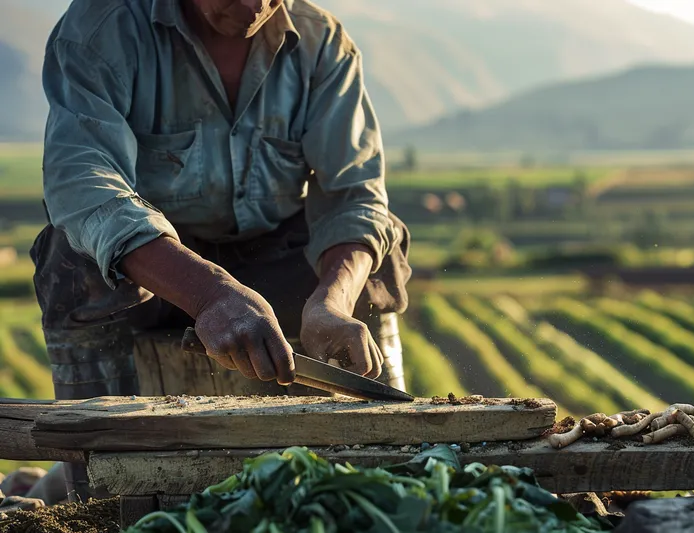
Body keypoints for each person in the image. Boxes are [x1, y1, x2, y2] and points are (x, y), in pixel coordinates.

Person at [32, 0, 412, 502]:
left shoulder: (321, 42)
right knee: (73, 257)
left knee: (374, 250)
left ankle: (398, 455)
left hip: (274, 255)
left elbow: (352, 193)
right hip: (158, 266)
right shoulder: (103, 28)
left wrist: (331, 302)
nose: (254, 4)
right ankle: (92, 485)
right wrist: (210, 293)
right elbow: (84, 185)